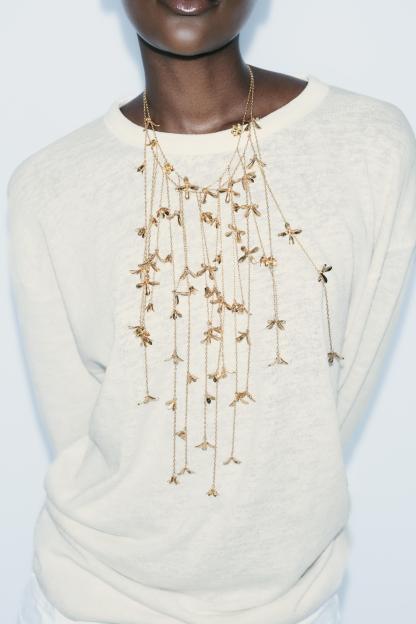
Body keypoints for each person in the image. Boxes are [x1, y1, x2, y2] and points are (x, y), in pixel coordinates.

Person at [7, 1, 416, 623]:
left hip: (292, 604)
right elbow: (72, 425)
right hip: (89, 600)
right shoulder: (47, 187)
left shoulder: (370, 145)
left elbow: (348, 378)